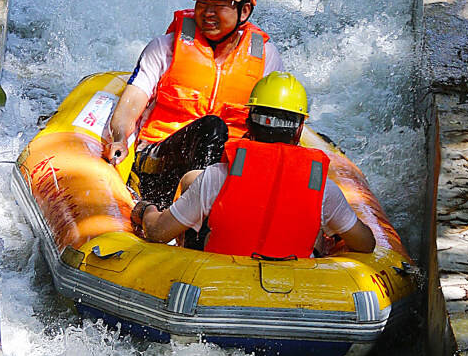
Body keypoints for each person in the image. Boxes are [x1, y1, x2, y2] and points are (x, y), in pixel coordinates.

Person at [130, 72, 376, 256]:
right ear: (300, 129)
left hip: (216, 284)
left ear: (248, 123)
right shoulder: (322, 188)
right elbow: (366, 243)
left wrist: (143, 210)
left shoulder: (218, 176)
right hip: (295, 290)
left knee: (192, 180)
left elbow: (158, 232)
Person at [103, 0, 284, 208]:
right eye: (202, 5)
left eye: (218, 6)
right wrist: (119, 138)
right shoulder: (164, 47)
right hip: (161, 158)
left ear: (244, 11)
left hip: (228, 168)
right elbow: (132, 102)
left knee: (221, 136)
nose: (208, 13)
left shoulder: (265, 57)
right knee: (212, 127)